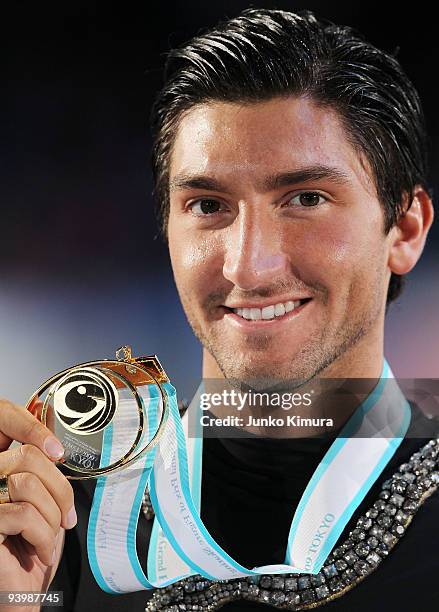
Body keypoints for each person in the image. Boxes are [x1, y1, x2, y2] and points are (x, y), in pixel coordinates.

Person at [0, 7, 437, 611]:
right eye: (207, 205)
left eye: (306, 198)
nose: (248, 267)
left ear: (405, 230)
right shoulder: (50, 516)